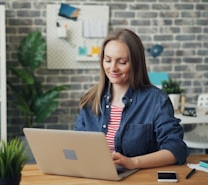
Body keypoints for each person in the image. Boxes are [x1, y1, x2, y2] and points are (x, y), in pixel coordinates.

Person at [74, 28, 189, 170]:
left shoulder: (156, 100)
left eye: (122, 62)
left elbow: (176, 149)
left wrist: (133, 162)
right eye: (108, 60)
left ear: (135, 63)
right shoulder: (90, 100)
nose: (113, 68)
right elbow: (77, 144)